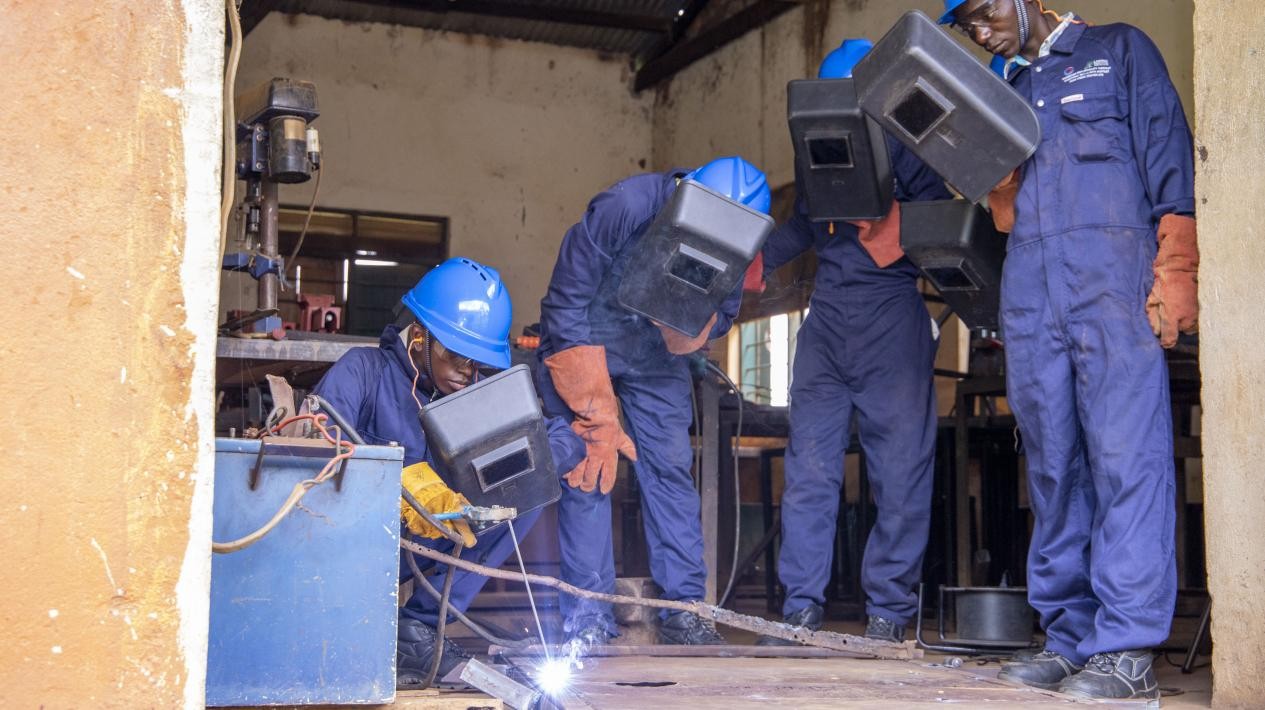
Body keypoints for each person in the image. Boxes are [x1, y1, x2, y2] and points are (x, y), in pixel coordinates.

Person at [940, 0, 1197, 700]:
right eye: (966, 25)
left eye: (985, 12)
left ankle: (1126, 649)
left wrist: (1176, 267)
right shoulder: (1005, 91)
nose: (980, 30)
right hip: (1030, 291)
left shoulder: (1118, 50)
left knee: (1125, 458)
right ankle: (1069, 637)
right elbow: (1001, 213)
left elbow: (1169, 159)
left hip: (1110, 284)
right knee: (1052, 464)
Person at [756, 39, 953, 646]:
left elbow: (947, 226)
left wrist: (904, 221)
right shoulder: (823, 156)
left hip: (892, 317)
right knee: (811, 471)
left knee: (898, 475)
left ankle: (889, 613)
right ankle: (801, 609)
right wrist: (747, 263)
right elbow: (800, 230)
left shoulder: (917, 157)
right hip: (828, 323)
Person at [313, 256, 585, 685]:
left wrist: (526, 457)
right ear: (419, 336)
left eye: (477, 363)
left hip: (435, 546)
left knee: (527, 488)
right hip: (358, 546)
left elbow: (564, 438)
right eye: (458, 358)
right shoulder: (363, 371)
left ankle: (416, 631)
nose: (467, 373)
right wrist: (396, 478)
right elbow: (320, 443)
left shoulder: (474, 390)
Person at [536, 156, 771, 647]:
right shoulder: (628, 204)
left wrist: (687, 324)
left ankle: (683, 610)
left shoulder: (741, 243)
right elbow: (566, 297)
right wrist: (594, 409)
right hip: (587, 337)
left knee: (667, 470)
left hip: (657, 354)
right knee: (588, 466)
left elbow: (724, 313)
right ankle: (588, 617)